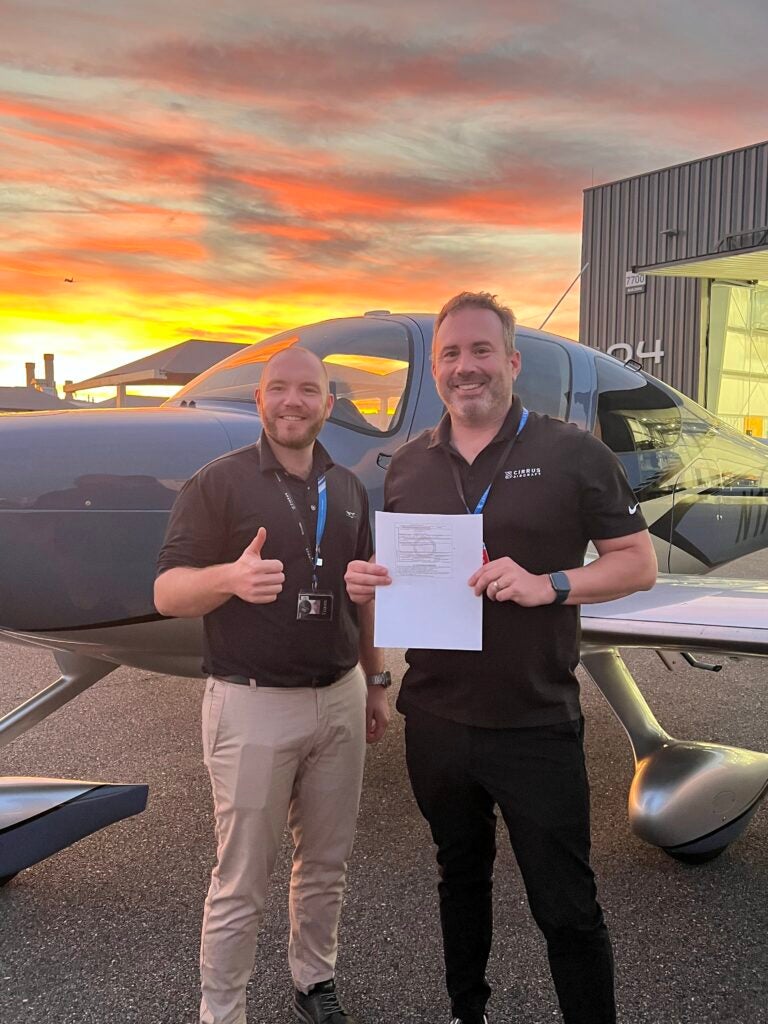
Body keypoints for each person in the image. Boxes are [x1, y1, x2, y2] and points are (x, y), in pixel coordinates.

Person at [345, 292, 657, 1024]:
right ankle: (467, 1011)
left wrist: (550, 583)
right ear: (435, 371)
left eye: (481, 351)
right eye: (451, 354)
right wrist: (368, 582)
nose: (466, 367)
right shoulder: (408, 464)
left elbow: (635, 564)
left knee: (567, 908)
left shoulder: (574, 452)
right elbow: (401, 574)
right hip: (438, 719)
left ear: (512, 362)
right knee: (460, 879)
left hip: (535, 721)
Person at [155, 346, 391, 1024]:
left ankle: (313, 982)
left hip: (339, 698)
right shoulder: (218, 483)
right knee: (240, 879)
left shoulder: (346, 489)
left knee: (326, 862)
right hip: (250, 702)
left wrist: (375, 683)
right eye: (279, 389)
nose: (293, 401)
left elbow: (362, 596)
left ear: (327, 402)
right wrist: (228, 578)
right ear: (260, 400)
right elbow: (167, 592)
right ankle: (221, 1010)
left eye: (308, 390)